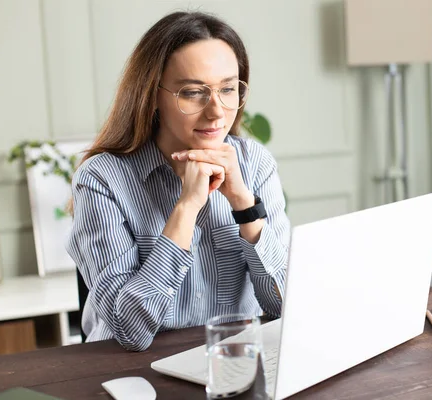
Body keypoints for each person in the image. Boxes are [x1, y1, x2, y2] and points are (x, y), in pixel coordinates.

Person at [66, 11, 290, 352]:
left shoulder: (255, 164)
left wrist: (245, 205)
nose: (216, 111)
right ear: (152, 95)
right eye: (193, 93)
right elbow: (129, 330)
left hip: (231, 365)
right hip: (133, 374)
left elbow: (283, 305)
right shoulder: (101, 179)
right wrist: (187, 207)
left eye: (228, 89)